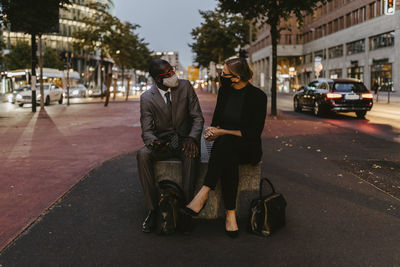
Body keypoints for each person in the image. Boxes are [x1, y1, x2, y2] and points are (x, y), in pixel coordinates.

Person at [183, 58, 267, 238]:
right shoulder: (225, 91)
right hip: (227, 146)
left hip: (248, 146)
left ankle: (203, 193)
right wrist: (213, 132)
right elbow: (217, 121)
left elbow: (253, 133)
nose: (221, 76)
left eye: (224, 74)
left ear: (236, 77)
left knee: (226, 143)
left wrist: (223, 133)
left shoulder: (258, 97)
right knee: (228, 152)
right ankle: (230, 215)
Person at [137, 59, 204, 233]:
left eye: (172, 70)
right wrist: (154, 142)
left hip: (184, 140)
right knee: (142, 154)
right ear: (158, 79)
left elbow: (197, 117)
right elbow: (147, 129)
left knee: (191, 153)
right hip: (163, 143)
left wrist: (192, 138)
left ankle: (186, 209)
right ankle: (152, 210)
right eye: (168, 74)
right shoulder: (146, 98)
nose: (174, 75)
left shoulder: (186, 87)